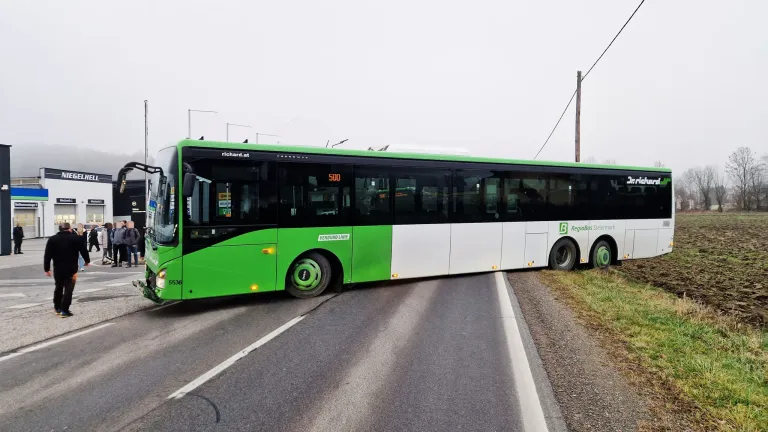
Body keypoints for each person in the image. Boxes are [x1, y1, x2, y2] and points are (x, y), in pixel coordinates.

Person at [44, 223, 90, 317]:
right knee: (69, 289)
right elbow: (83, 250)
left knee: (58, 287)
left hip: (57, 268)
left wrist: (47, 268)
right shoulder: (75, 238)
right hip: (71, 268)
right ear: (69, 229)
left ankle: (57, 308)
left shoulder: (52, 239)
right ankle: (65, 310)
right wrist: (87, 261)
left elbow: (47, 255)